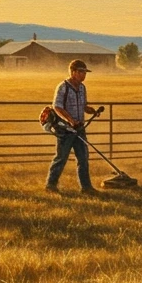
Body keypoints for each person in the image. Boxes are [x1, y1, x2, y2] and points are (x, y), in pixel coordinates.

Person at [45, 60, 100, 194]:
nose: (84, 75)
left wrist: (91, 110)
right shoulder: (63, 87)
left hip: (79, 128)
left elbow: (83, 105)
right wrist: (70, 120)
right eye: (81, 72)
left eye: (85, 73)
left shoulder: (82, 88)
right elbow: (57, 107)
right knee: (61, 157)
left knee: (83, 157)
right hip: (65, 129)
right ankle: (51, 184)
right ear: (73, 71)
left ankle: (86, 187)